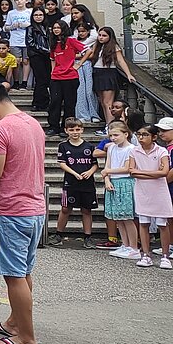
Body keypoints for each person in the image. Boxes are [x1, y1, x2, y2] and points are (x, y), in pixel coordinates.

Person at [0, 80, 46, 344]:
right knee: (23, 271)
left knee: (14, 275)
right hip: (34, 207)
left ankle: (26, 338)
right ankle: (15, 322)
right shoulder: (32, 123)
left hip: (11, 208)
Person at [49, 118, 99, 247]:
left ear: (82, 130)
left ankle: (87, 237)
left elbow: (95, 164)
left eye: (77, 129)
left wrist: (90, 172)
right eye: (71, 130)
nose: (75, 132)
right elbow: (62, 163)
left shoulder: (89, 146)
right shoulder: (63, 146)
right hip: (70, 182)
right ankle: (58, 235)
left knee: (86, 210)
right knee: (65, 208)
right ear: (66, 130)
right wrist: (74, 173)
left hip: (87, 183)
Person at [100, 120, 140, 259]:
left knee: (127, 217)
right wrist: (107, 179)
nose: (113, 138)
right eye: (111, 135)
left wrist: (108, 172)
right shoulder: (111, 148)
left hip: (126, 182)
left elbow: (127, 168)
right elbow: (107, 165)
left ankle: (134, 247)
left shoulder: (131, 149)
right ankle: (125, 244)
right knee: (118, 218)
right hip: (113, 181)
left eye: (116, 135)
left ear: (125, 134)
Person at [87, 26, 132, 125]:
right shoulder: (97, 45)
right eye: (99, 35)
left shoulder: (114, 47)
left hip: (108, 73)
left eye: (104, 36)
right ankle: (108, 124)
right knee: (103, 102)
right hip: (97, 72)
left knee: (108, 102)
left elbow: (121, 61)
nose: (101, 37)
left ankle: (110, 125)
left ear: (109, 37)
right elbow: (91, 55)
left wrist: (128, 74)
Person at [46, 20, 85, 138]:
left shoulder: (71, 41)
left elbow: (88, 50)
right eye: (54, 28)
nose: (56, 30)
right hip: (56, 77)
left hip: (70, 77)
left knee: (69, 103)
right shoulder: (53, 42)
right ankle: (53, 127)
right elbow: (52, 58)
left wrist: (79, 64)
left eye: (58, 28)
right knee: (55, 101)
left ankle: (67, 127)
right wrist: (52, 71)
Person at [4, 0, 32, 88]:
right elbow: (6, 27)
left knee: (26, 61)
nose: (19, 1)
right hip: (14, 40)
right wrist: (12, 26)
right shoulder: (11, 13)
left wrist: (26, 25)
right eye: (17, 0)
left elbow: (34, 24)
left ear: (26, 0)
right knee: (16, 61)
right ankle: (16, 81)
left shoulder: (29, 12)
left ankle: (24, 82)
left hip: (27, 40)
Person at [27, 8, 52, 111]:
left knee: (46, 80)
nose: (38, 17)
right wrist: (45, 50)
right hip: (36, 55)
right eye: (36, 15)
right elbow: (30, 43)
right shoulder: (30, 28)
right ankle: (39, 103)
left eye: (40, 15)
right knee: (40, 79)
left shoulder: (47, 28)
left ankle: (41, 102)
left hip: (47, 56)